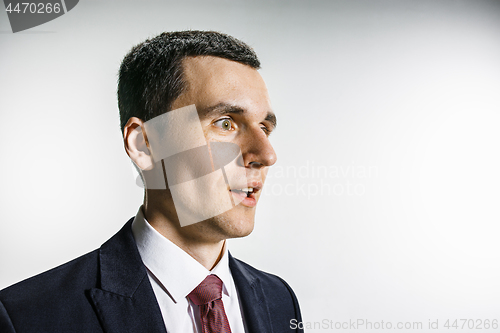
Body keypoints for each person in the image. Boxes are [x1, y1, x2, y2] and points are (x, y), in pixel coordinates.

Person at [0, 30, 303, 333]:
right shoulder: (28, 316)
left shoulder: (280, 300)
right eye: (226, 123)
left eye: (264, 127)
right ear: (144, 144)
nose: (266, 154)